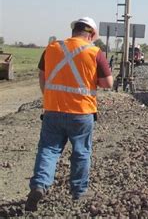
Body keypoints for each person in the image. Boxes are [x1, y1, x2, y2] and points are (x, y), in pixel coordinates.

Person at [25, 17, 113, 211]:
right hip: (82, 112)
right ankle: (79, 192)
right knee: (81, 152)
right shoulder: (94, 52)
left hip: (53, 110)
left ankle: (39, 185)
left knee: (48, 149)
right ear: (91, 34)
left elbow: (42, 76)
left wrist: (48, 98)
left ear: (74, 31)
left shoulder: (52, 48)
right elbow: (108, 83)